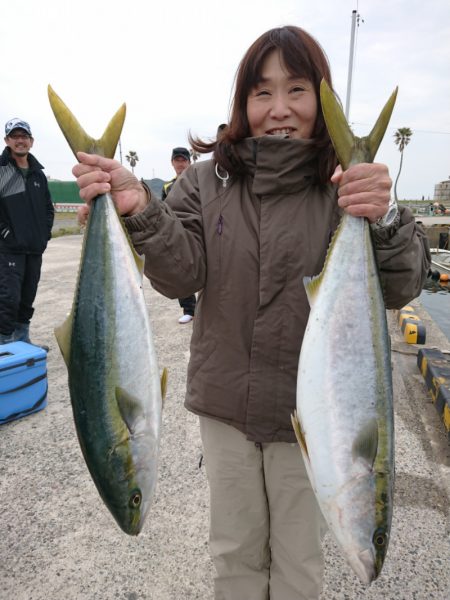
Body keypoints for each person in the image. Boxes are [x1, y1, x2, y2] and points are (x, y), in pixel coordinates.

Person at [73, 26, 430, 600]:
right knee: (234, 555)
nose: (280, 109)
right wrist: (140, 210)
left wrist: (382, 220)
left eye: (297, 90)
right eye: (262, 93)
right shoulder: (204, 181)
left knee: (298, 562)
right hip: (225, 409)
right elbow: (181, 273)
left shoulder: (344, 190)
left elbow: (399, 286)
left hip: (315, 418)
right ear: (242, 103)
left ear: (322, 99)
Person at [0, 118, 54, 349]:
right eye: (15, 136)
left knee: (27, 297)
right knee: (8, 297)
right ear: (7, 140)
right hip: (9, 249)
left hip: (34, 248)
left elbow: (47, 209)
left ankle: (23, 340)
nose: (20, 140)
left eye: (24, 136)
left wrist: (44, 235)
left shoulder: (37, 174)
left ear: (31, 141)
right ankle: (4, 344)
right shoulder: (3, 171)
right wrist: (6, 234)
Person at [161, 147, 196, 324]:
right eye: (177, 160)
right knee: (181, 270)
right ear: (172, 163)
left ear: (189, 162)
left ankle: (209, 308)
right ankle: (189, 309)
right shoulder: (167, 186)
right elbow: (163, 212)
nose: (180, 163)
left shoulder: (198, 180)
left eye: (183, 160)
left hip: (198, 231)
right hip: (177, 233)